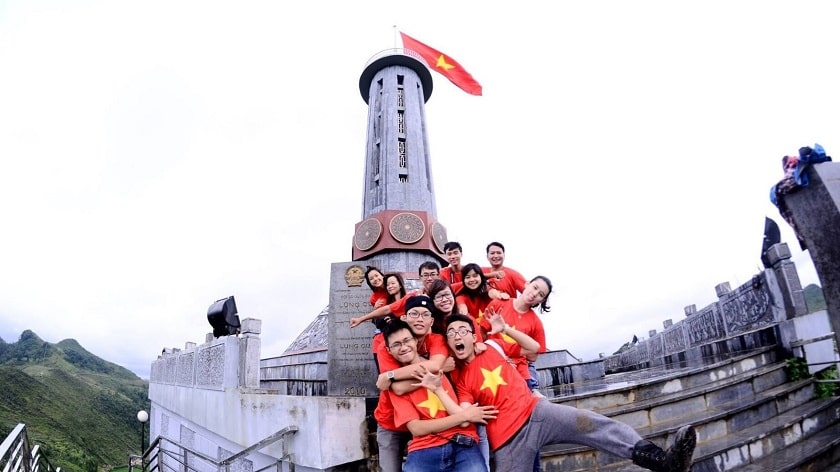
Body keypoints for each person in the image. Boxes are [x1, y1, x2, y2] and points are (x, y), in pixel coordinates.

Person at [444, 313, 697, 472]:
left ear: (474, 337)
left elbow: (533, 348)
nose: (457, 335)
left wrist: (506, 329)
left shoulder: (492, 346)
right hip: (508, 439)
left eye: (463, 330)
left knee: (594, 424)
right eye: (451, 333)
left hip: (538, 412)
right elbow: (464, 413)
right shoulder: (462, 380)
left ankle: (663, 462)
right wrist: (442, 392)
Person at [381, 318, 496, 471]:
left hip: (462, 442)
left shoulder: (444, 365)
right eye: (396, 344)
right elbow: (416, 428)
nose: (403, 347)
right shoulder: (395, 386)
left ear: (416, 341)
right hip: (425, 448)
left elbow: (469, 357)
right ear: (389, 350)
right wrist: (465, 416)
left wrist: (480, 346)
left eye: (407, 340)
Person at [372, 295, 449, 472]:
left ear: (432, 321)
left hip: (425, 418)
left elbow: (435, 365)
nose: (419, 319)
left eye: (425, 314)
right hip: (391, 420)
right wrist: (434, 372)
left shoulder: (436, 340)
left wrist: (390, 375)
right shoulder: (388, 345)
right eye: (414, 314)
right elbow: (398, 388)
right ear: (404, 317)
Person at [480, 276, 550, 392]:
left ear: (542, 300)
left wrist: (512, 355)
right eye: (535, 287)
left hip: (519, 374)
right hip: (492, 369)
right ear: (527, 284)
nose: (534, 294)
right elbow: (482, 332)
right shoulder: (498, 303)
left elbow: (533, 356)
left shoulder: (536, 323)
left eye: (541, 295)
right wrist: (500, 357)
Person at [350, 261, 441, 327]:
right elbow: (387, 309)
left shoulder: (445, 292)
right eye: (425, 275)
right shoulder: (413, 297)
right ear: (420, 277)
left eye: (433, 274)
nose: (429, 278)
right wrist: (361, 319)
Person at [456, 263, 509, 332]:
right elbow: (461, 306)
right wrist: (463, 311)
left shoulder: (488, 289)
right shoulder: (461, 297)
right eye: (468, 277)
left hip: (493, 331)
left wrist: (499, 295)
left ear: (481, 277)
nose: (472, 279)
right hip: (474, 332)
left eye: (475, 276)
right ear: (463, 281)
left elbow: (492, 292)